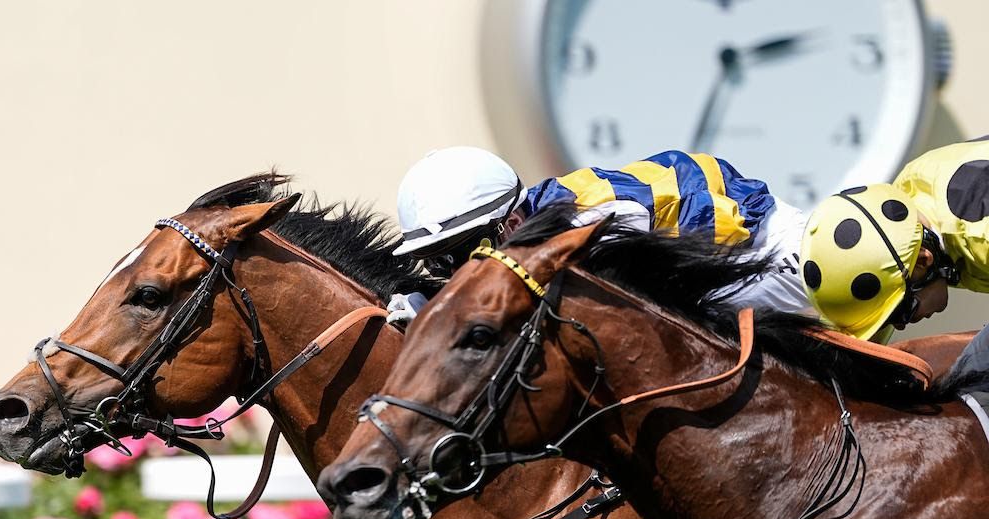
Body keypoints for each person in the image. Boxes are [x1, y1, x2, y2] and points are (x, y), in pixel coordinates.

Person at [387, 145, 811, 324]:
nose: (456, 271)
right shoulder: (530, 231)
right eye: (439, 260)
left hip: (764, 251)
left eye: (462, 254)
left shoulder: (588, 222)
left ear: (510, 226)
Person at [800, 140, 989, 384]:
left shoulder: (980, 236)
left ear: (924, 260)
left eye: (903, 312)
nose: (900, 327)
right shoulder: (908, 203)